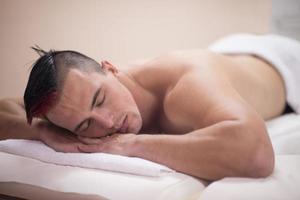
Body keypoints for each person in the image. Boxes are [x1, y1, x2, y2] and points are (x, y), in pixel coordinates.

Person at [1, 34, 300, 181]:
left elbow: (256, 154)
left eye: (100, 99)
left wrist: (130, 145)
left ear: (110, 68)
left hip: (284, 62)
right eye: (84, 125)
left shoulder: (186, 83)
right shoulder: (69, 105)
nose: (106, 124)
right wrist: (42, 131)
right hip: (227, 57)